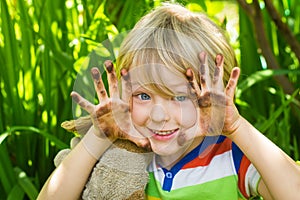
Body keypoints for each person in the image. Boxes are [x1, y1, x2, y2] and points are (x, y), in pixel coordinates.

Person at [37, 3, 300, 200]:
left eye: (181, 97)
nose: (159, 116)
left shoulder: (229, 157)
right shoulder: (118, 155)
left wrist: (236, 127)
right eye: (143, 96)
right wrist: (98, 137)